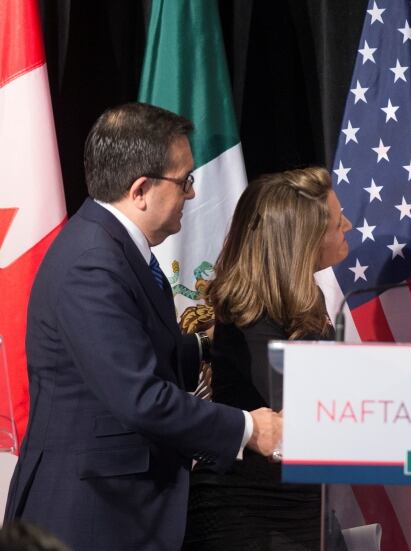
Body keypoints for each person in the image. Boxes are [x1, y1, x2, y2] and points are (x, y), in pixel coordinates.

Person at [4, 103, 282, 551]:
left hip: (116, 506)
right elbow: (140, 398)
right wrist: (250, 429)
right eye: (185, 180)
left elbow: (138, 351)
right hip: (90, 516)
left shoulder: (114, 245)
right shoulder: (92, 263)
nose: (192, 194)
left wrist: (209, 345)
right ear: (140, 190)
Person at [183, 168, 352, 550]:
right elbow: (298, 411)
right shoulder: (251, 316)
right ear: (301, 239)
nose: (349, 224)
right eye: (337, 221)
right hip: (245, 511)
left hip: (302, 500)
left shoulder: (307, 298)